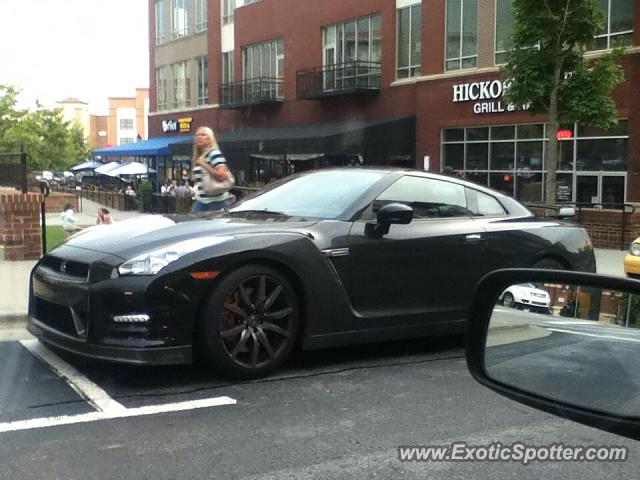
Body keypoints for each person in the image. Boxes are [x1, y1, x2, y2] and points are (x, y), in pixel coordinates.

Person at [191, 126, 235, 212]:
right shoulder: (200, 156)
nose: (199, 137)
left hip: (216, 202)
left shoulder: (214, 153)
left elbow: (222, 175)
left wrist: (204, 164)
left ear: (210, 138)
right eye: (197, 135)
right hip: (201, 201)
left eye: (203, 135)